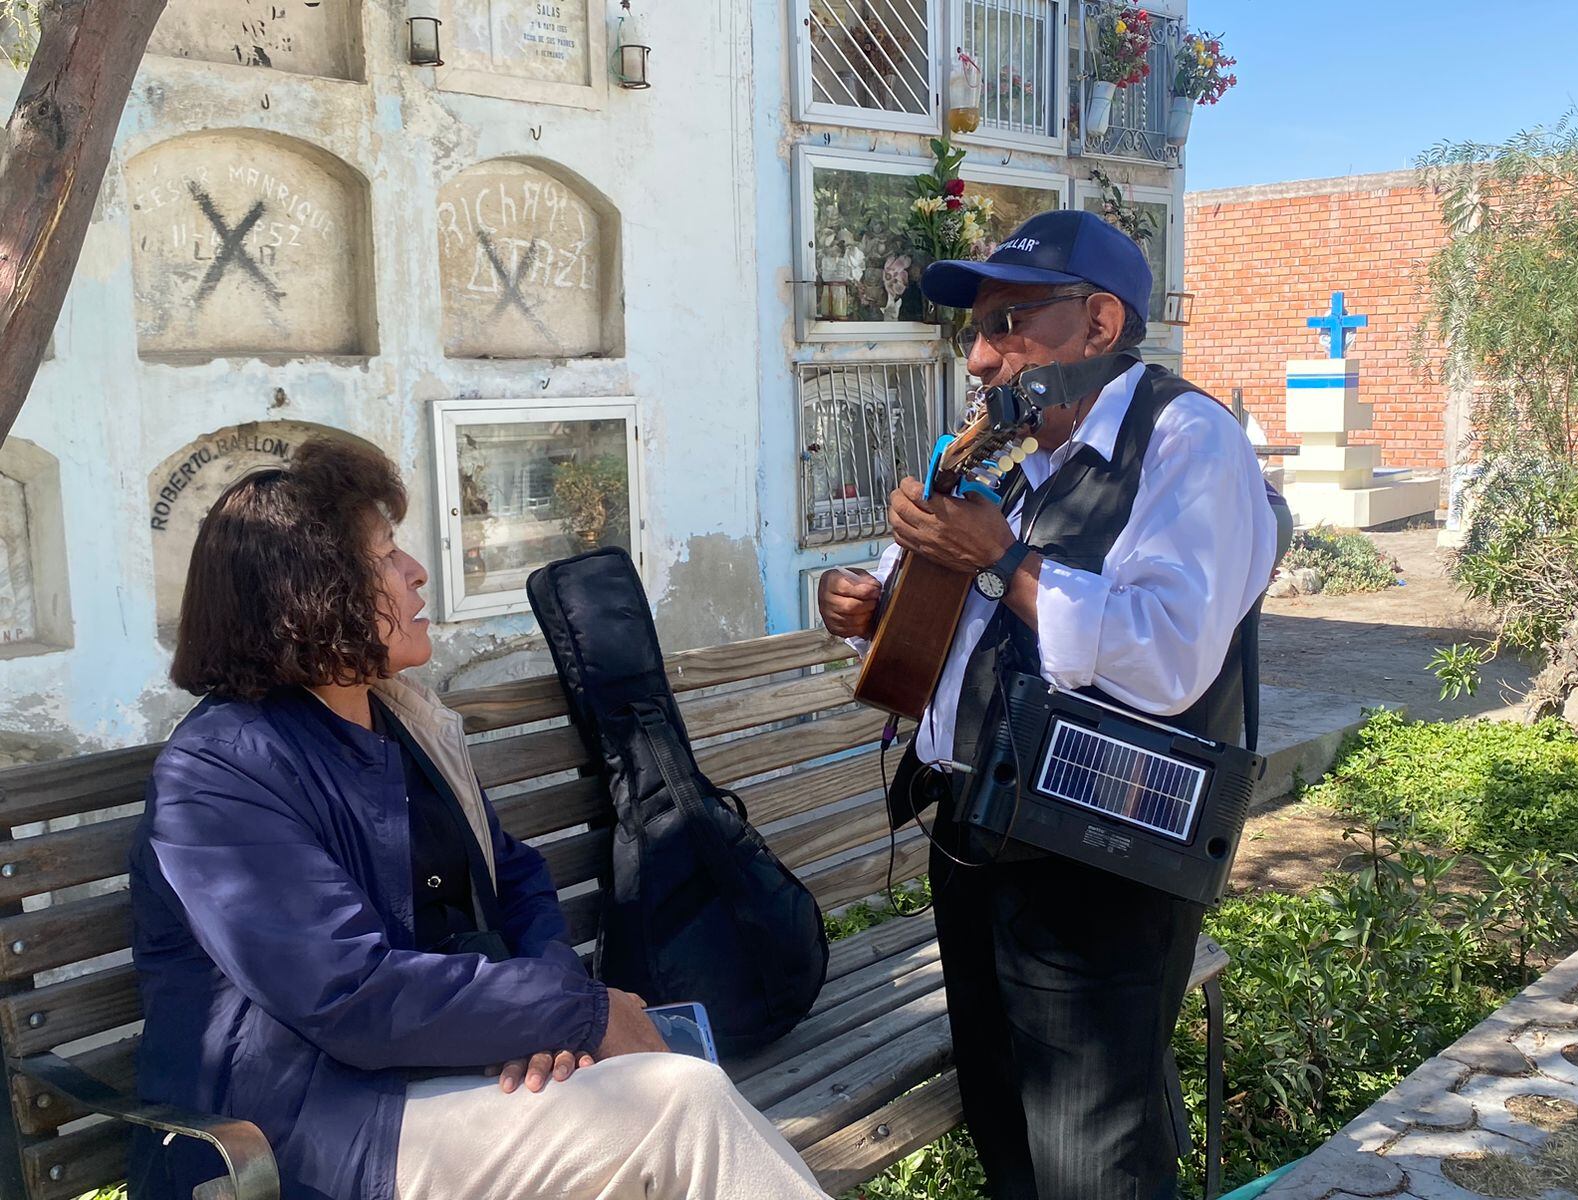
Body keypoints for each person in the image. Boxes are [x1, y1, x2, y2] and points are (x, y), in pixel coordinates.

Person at [129, 439, 830, 1200]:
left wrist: (550, 1014)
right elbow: (346, 993)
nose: (416, 571)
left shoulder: (400, 723)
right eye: (385, 554)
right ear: (310, 593)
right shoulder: (219, 772)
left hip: (442, 1076)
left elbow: (516, 876)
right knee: (678, 1107)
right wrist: (575, 1013)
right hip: (311, 1130)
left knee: (679, 1097)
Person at [817, 210, 1279, 1200]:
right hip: (972, 837)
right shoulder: (1004, 454)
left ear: (1100, 323)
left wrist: (1003, 559)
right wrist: (861, 605)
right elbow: (929, 624)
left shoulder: (1187, 440)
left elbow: (1167, 656)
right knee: (1005, 1127)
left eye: (1009, 323)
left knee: (1093, 1158)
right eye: (975, 330)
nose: (981, 357)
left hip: (1098, 865)